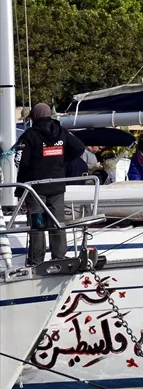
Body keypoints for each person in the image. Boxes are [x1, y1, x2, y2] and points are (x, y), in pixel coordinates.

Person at [16, 103, 85, 266]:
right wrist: (62, 162)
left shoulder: (30, 135)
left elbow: (21, 161)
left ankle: (36, 260)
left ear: (34, 116)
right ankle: (59, 257)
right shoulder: (62, 132)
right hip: (57, 185)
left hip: (36, 187)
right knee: (57, 221)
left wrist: (21, 187)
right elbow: (80, 148)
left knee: (38, 223)